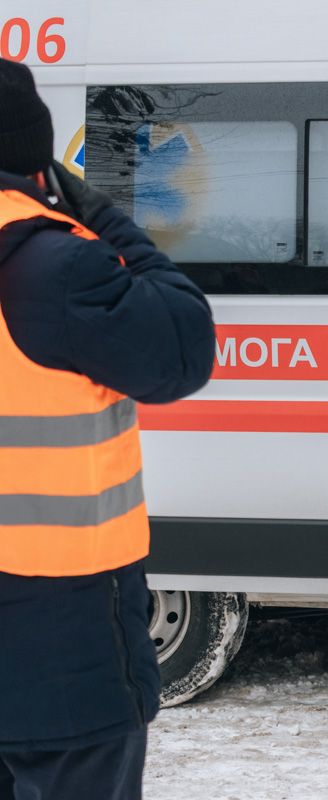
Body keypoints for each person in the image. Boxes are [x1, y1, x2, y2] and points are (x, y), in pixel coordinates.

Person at [0, 59, 216, 799]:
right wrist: (95, 211)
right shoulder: (53, 269)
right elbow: (186, 344)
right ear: (34, 159)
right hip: (59, 655)